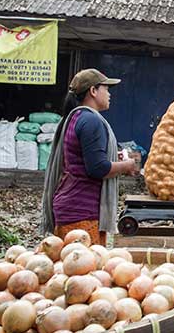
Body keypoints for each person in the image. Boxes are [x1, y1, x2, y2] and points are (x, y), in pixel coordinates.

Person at [40, 69, 137, 245]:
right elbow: (97, 168)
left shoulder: (76, 117)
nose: (109, 94)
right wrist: (127, 165)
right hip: (81, 213)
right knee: (85, 269)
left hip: (71, 207)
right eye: (106, 89)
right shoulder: (91, 121)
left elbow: (85, 161)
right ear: (93, 91)